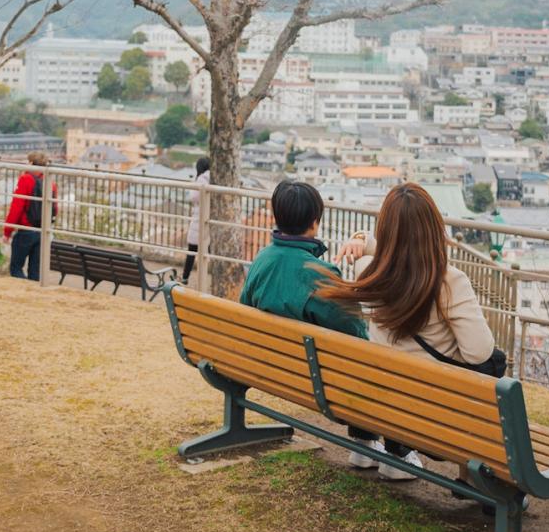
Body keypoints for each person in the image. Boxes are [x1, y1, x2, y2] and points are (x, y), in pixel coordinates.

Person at [326, 183, 507, 477]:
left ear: (384, 231)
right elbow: (479, 353)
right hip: (435, 415)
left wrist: (360, 239)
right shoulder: (449, 281)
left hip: (386, 401)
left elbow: (384, 253)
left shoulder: (367, 272)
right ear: (434, 228)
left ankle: (387, 448)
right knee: (494, 362)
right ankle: (471, 474)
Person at [240, 181, 406, 474]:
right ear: (315, 223)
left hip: (271, 367)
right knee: (370, 363)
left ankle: (366, 447)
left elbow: (244, 308)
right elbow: (355, 336)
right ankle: (397, 456)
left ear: (277, 217)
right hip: (317, 378)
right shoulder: (321, 275)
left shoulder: (262, 260)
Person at [3, 153, 55, 281]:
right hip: (42, 231)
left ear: (31, 163)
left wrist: (7, 232)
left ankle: (21, 292)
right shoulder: (50, 183)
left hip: (26, 230)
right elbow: (55, 209)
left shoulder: (26, 179)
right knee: (35, 271)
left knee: (16, 267)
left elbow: (16, 208)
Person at [181, 156, 211, 283]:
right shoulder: (213, 179)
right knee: (211, 251)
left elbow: (193, 197)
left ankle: (185, 277)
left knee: (192, 250)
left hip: (199, 218)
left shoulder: (202, 179)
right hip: (211, 219)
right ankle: (214, 278)